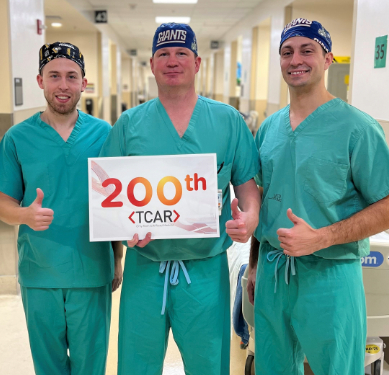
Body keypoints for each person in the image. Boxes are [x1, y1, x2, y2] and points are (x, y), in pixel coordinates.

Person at [246, 18, 389, 375]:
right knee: (273, 368)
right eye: (287, 52)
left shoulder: (357, 127)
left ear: (328, 58)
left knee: (336, 368)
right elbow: (264, 196)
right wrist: (255, 264)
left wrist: (322, 237)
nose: (296, 59)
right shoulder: (270, 128)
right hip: (273, 274)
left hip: (330, 276)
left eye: (308, 50)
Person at [100, 23, 261, 375]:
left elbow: (248, 189)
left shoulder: (228, 122)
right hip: (145, 268)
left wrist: (249, 219)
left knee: (208, 366)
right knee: (136, 365)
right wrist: (120, 229)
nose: (173, 61)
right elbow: (108, 196)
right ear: (153, 65)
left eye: (181, 53)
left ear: (197, 62)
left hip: (205, 271)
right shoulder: (129, 126)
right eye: (164, 54)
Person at [0, 42, 122, 375]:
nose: (63, 85)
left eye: (71, 76)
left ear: (83, 83)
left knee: (91, 364)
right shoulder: (18, 138)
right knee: (49, 365)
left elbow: (116, 205)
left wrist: (117, 259)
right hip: (39, 270)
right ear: (40, 80)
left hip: (91, 270)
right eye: (54, 75)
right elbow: (3, 205)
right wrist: (25, 215)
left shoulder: (105, 134)